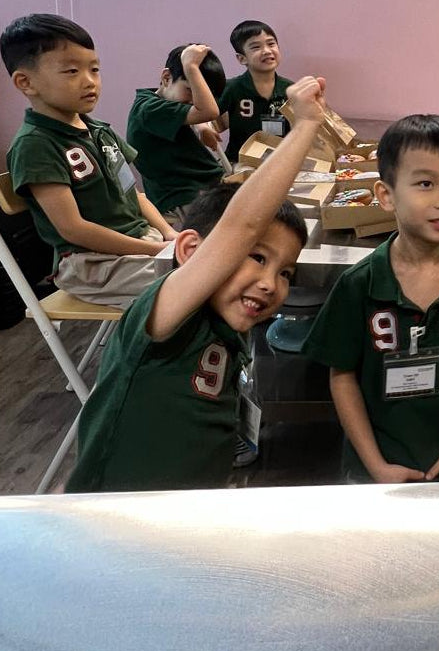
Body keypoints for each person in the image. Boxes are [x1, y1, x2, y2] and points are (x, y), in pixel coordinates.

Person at [65, 75, 326, 493]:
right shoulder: (169, 313)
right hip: (114, 517)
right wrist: (307, 125)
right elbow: (243, 223)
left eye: (285, 273)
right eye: (257, 257)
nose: (269, 283)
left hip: (183, 516)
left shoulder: (229, 330)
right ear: (190, 251)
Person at [303, 114, 439, 483]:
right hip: (376, 469)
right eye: (425, 183)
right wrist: (375, 465)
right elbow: (342, 376)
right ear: (386, 195)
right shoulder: (359, 284)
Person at [2, 13, 179, 308]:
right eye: (72, 71)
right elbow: (74, 229)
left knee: (217, 257)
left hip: (138, 243)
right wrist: (155, 249)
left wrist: (169, 233)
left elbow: (134, 195)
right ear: (25, 82)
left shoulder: (99, 131)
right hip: (89, 264)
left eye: (94, 69)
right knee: (198, 281)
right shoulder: (35, 144)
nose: (90, 81)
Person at [126, 43, 227, 225]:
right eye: (190, 89)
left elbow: (193, 111)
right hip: (182, 195)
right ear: (166, 77)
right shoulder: (149, 110)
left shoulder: (155, 100)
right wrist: (190, 66)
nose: (195, 100)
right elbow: (210, 111)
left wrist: (201, 127)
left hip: (199, 184)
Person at [209, 20, 294, 163]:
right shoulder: (231, 88)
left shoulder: (290, 89)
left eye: (271, 44)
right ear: (242, 58)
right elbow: (203, 115)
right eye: (256, 47)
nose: (267, 51)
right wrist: (203, 127)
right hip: (239, 162)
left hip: (279, 162)